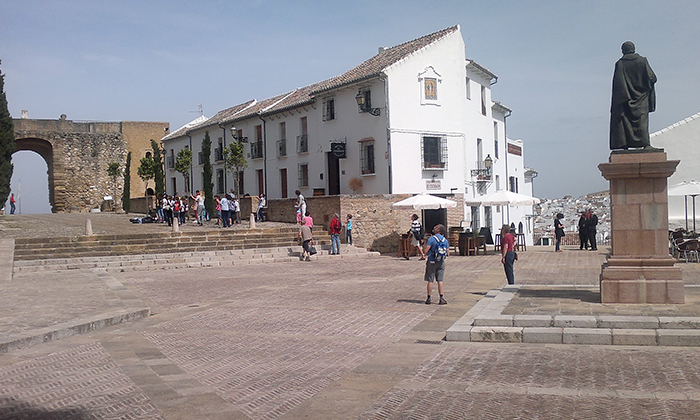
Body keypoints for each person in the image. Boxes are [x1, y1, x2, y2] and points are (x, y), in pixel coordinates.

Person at [610, 41, 657, 150]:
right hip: (642, 98)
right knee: (642, 122)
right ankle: (646, 144)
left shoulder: (620, 64)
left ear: (623, 51)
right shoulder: (642, 61)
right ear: (633, 49)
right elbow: (652, 78)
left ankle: (625, 145)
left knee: (626, 123)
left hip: (625, 99)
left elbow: (618, 86)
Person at [423, 224, 448, 305]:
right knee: (440, 280)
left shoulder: (431, 239)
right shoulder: (445, 240)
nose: (434, 228)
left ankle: (429, 298)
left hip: (431, 261)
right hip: (441, 262)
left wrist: (425, 250)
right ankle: (441, 298)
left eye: (436, 227)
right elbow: (448, 253)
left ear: (438, 230)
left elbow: (426, 250)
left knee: (430, 280)